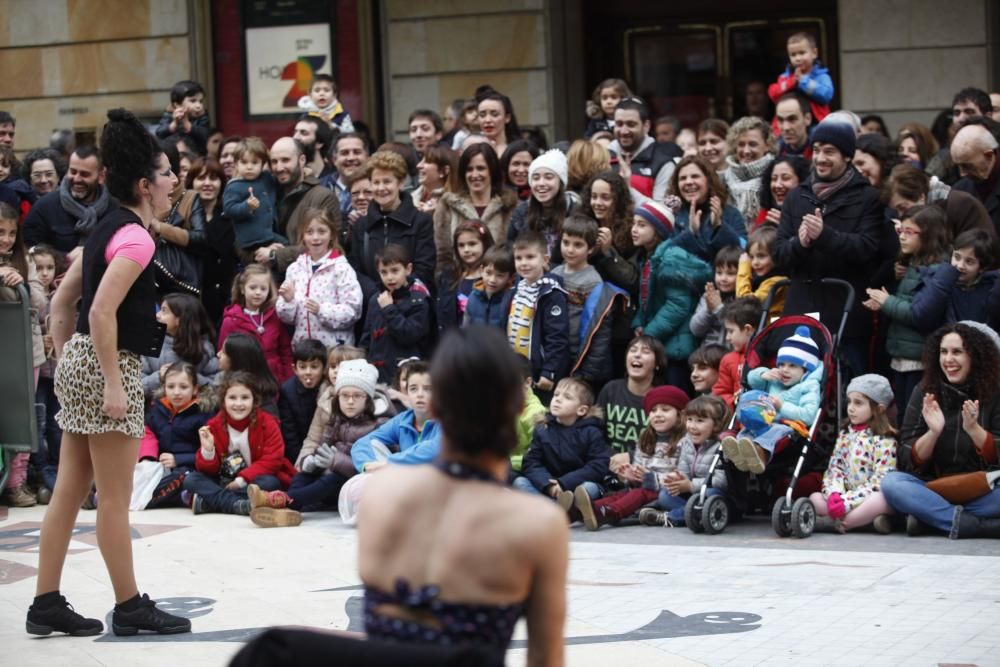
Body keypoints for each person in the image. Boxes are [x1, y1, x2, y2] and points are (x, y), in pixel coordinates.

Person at [29, 108, 191, 637]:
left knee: (69, 492)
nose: (174, 181)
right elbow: (98, 311)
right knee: (114, 500)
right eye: (167, 173)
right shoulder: (139, 239)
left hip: (79, 359)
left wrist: (64, 357)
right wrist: (113, 383)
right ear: (145, 185)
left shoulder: (103, 228)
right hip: (106, 365)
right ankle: (129, 606)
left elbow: (63, 302)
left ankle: (45, 603)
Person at [349, 328, 566, 662]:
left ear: (435, 405)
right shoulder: (536, 523)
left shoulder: (381, 497)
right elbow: (544, 657)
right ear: (520, 405)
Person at [774, 119, 883, 376]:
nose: (821, 158)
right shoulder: (797, 196)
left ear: (847, 156)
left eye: (829, 152)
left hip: (846, 316)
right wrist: (799, 244)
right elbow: (779, 254)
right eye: (818, 150)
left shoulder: (867, 197)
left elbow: (869, 248)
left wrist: (826, 236)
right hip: (802, 313)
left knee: (848, 393)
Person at [880, 322, 1000, 539]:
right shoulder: (925, 390)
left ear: (977, 356)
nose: (948, 360)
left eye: (957, 352)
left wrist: (974, 431)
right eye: (943, 352)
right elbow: (906, 456)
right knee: (892, 484)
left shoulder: (995, 394)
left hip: (983, 491)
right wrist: (933, 433)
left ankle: (930, 520)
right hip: (934, 488)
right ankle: (972, 525)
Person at [863, 205, 951, 405]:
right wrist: (885, 304)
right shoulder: (913, 263)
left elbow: (921, 314)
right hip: (903, 356)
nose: (902, 237)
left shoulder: (937, 270)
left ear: (929, 235)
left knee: (914, 420)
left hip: (920, 362)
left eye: (909, 232)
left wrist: (888, 301)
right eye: (900, 230)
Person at [575, 384, 687, 530]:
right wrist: (631, 477)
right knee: (620, 495)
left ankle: (608, 514)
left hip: (668, 494)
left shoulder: (685, 442)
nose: (658, 414)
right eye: (653, 410)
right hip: (644, 490)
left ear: (679, 415)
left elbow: (682, 476)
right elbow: (639, 475)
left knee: (638, 494)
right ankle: (579, 512)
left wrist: (649, 478)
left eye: (665, 410)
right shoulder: (645, 440)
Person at [183, 372, 296, 515]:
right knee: (191, 479)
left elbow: (273, 460)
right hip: (223, 481)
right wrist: (208, 451)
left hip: (250, 482)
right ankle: (239, 505)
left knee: (270, 483)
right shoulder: (214, 425)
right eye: (232, 398)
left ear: (254, 400)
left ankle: (211, 503)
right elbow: (207, 470)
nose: (238, 404)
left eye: (245, 398)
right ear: (223, 401)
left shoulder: (268, 423)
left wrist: (241, 481)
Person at [631, 201, 713, 389]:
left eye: (642, 225)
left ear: (658, 231)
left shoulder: (671, 257)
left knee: (673, 393)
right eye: (634, 224)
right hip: (661, 341)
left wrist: (650, 332)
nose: (634, 230)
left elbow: (677, 305)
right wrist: (639, 322)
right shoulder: (651, 257)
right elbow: (647, 299)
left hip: (676, 346)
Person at [721, 325, 823, 473]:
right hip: (763, 420)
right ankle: (739, 454)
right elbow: (751, 381)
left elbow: (808, 415)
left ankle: (760, 455)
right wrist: (763, 374)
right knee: (748, 429)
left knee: (776, 430)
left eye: (792, 366)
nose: (784, 369)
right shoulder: (775, 378)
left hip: (788, 425)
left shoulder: (809, 386)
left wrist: (782, 406)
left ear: (806, 370)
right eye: (781, 364)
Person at [0, 202, 47, 507]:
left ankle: (16, 483)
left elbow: (41, 300)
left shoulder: (24, 259)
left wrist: (21, 284)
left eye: (11, 233)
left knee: (22, 415)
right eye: (0, 232)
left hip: (24, 350)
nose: (5, 239)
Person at [809, 374, 897, 533]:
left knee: (881, 499)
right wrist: (834, 494)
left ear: (879, 408)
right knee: (814, 499)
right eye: (849, 401)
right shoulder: (845, 436)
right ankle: (867, 522)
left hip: (866, 498)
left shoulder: (884, 440)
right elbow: (835, 469)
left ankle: (840, 523)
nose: (850, 408)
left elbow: (879, 483)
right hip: (844, 496)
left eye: (858, 403)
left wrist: (848, 503)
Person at [514, 377, 612, 512]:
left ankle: (552, 509)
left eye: (567, 397)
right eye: (556, 394)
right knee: (520, 482)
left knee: (589, 488)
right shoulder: (543, 429)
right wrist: (549, 485)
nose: (558, 399)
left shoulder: (592, 432)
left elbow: (598, 466)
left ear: (581, 410)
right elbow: (531, 463)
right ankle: (562, 509)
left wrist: (565, 483)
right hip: (550, 486)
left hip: (577, 484)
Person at [552, 215, 628, 388]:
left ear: (591, 249)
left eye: (578, 245)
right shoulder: (555, 272)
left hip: (576, 352)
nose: (570, 249)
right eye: (566, 242)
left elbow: (595, 324)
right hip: (556, 349)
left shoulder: (592, 281)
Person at [638, 394, 731, 527]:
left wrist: (690, 485)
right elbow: (684, 472)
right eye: (690, 419)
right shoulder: (687, 443)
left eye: (700, 421)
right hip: (694, 494)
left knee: (709, 494)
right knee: (665, 495)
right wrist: (677, 479)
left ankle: (671, 517)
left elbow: (721, 482)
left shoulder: (721, 446)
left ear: (716, 425)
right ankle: (695, 514)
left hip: (717, 496)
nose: (692, 426)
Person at [276, 207, 363, 348]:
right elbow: (287, 317)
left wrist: (322, 311)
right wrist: (288, 301)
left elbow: (353, 311)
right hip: (304, 351)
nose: (315, 237)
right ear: (303, 236)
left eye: (321, 231)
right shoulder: (294, 269)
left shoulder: (341, 268)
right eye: (309, 232)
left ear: (332, 235)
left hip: (334, 350)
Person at [349, 150, 435, 289]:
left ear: (400, 183)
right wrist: (375, 295)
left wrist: (396, 294)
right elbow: (355, 270)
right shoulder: (362, 225)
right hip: (372, 304)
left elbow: (424, 269)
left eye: (387, 181)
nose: (381, 188)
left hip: (410, 304)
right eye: (376, 182)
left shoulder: (421, 221)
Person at [138, 362, 213, 509]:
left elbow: (209, 452)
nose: (176, 392)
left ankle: (144, 499)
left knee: (185, 478)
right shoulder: (158, 409)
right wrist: (148, 458)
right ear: (164, 387)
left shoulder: (203, 414)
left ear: (195, 389)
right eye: (171, 387)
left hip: (188, 467)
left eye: (183, 387)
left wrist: (178, 459)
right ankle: (180, 498)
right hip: (160, 465)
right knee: (140, 475)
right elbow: (148, 434)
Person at [264, 137, 341, 276]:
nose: (279, 167)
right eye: (274, 162)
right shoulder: (265, 195)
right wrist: (258, 252)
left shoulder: (323, 197)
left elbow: (329, 245)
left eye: (285, 160)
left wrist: (275, 255)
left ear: (302, 160)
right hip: (265, 286)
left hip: (309, 285)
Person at [434, 143, 518, 271]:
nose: (475, 174)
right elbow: (443, 255)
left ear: (492, 170)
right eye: (469, 169)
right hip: (458, 282)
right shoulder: (448, 205)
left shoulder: (509, 206)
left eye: (481, 168)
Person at [504, 231, 569, 394]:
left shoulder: (552, 294)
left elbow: (557, 337)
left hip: (539, 374)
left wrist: (550, 371)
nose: (523, 263)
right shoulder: (515, 290)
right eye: (518, 258)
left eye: (530, 257)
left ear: (545, 260)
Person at [359, 244, 433, 383]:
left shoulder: (418, 300)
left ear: (408, 269)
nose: (390, 277)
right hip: (377, 373)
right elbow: (367, 337)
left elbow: (409, 334)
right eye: (384, 272)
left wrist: (389, 309)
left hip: (405, 372)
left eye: (395, 271)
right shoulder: (376, 299)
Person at [23, 146, 114, 256]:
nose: (76, 179)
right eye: (73, 172)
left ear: (101, 176)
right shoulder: (44, 207)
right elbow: (30, 250)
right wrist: (65, 258)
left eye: (84, 174)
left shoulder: (115, 210)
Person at [913, 229, 1000, 331]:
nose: (960, 265)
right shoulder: (936, 277)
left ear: (982, 268)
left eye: (969, 261)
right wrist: (943, 282)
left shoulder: (991, 290)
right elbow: (922, 317)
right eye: (957, 257)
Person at [218, 263, 292, 383]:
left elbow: (285, 350)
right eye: (253, 288)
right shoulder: (231, 320)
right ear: (242, 289)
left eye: (263, 288)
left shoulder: (275, 315)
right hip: (244, 379)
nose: (258, 292)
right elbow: (224, 354)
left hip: (274, 379)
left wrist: (287, 379)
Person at [505, 149, 578, 264]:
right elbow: (510, 248)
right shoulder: (521, 211)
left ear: (561, 182)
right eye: (536, 178)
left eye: (548, 177)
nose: (541, 183)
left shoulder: (575, 211)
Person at [140, 293, 219, 397]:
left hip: (194, 410)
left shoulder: (204, 348)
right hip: (157, 409)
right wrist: (160, 376)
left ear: (180, 319)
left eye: (164, 311)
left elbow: (216, 385)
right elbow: (137, 385)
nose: (157, 315)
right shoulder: (151, 343)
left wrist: (190, 377)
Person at [669, 156, 747, 262]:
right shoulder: (671, 216)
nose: (688, 182)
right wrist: (690, 233)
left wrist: (719, 227)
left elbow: (742, 254)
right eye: (682, 178)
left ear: (709, 181)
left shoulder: (731, 214)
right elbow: (666, 256)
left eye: (695, 176)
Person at [609, 97, 681, 202]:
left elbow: (661, 212)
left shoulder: (663, 163)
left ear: (646, 126)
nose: (624, 131)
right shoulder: (602, 156)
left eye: (631, 124)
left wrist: (628, 190)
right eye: (619, 124)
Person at [222, 137, 284, 257]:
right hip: (252, 239)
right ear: (236, 164)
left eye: (255, 162)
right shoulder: (234, 186)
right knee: (284, 247)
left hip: (269, 232)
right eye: (244, 162)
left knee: (285, 247)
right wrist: (247, 206)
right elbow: (229, 210)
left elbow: (277, 180)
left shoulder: (266, 178)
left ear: (263, 164)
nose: (249, 167)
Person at [436, 220, 493, 332]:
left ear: (484, 244)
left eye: (472, 244)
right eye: (461, 245)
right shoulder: (450, 276)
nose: (466, 250)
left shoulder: (493, 277)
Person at [278, 339, 327, 465]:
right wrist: (300, 462)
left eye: (314, 367)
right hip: (300, 450)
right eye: (302, 367)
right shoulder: (287, 391)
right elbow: (290, 434)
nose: (308, 372)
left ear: (324, 368)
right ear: (294, 369)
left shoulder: (329, 388)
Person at [767, 32, 833, 127]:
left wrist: (804, 81)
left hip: (815, 124)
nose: (797, 58)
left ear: (814, 53)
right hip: (789, 124)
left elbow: (826, 94)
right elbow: (773, 93)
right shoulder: (785, 77)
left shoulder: (821, 76)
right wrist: (791, 82)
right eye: (793, 55)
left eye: (802, 53)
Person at [722, 116, 775, 226]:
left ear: (767, 145)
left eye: (753, 144)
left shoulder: (775, 175)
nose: (746, 151)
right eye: (741, 144)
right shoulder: (724, 178)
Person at [712, 296, 764, 409]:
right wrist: (735, 401)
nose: (727, 338)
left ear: (748, 329)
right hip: (736, 419)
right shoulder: (728, 360)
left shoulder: (767, 356)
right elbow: (720, 392)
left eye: (731, 331)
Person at [950, 124, 1000, 235]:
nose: (962, 173)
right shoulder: (960, 191)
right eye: (958, 166)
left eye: (967, 166)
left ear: (989, 156)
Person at [216, 332, 281, 416]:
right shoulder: (224, 386)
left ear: (237, 360)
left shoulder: (265, 408)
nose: (218, 354)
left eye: (224, 352)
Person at [690, 245, 740, 347]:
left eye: (730, 274)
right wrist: (708, 310)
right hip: (707, 354)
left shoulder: (743, 298)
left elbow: (738, 328)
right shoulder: (709, 296)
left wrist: (718, 309)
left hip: (730, 356)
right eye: (719, 273)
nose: (723, 278)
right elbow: (695, 330)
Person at [738, 225, 787, 319]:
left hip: (770, 329)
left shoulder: (776, 280)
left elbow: (745, 303)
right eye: (751, 257)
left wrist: (743, 267)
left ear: (776, 255)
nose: (755, 262)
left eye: (761, 256)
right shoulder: (760, 278)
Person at [464, 243, 514, 329]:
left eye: (500, 275)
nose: (492, 280)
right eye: (488, 273)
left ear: (510, 278)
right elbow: (465, 327)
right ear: (481, 270)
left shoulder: (511, 300)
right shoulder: (473, 297)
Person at [324, 133, 370, 222]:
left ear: (367, 157)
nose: (351, 158)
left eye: (357, 152)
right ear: (334, 160)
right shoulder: (321, 187)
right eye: (344, 153)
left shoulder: (379, 187)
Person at [155, 80, 210, 152]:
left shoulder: (203, 117)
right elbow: (159, 133)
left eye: (201, 101)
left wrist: (187, 124)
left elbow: (205, 135)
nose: (199, 106)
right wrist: (174, 124)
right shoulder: (169, 114)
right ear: (177, 104)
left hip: (196, 155)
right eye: (193, 101)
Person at [756, 155, 809, 227]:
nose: (777, 185)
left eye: (785, 178)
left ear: (802, 182)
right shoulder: (766, 214)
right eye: (774, 179)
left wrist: (787, 228)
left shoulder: (811, 215)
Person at [475, 86, 521, 156]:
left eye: (494, 114)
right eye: (482, 115)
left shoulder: (519, 151)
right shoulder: (471, 148)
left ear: (507, 117)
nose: (487, 120)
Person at [411, 144, 455, 213]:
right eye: (421, 160)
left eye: (427, 161)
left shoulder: (456, 204)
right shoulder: (411, 199)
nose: (418, 165)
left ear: (444, 171)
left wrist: (436, 214)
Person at [293, 115, 334, 180]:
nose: (295, 137)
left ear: (319, 143)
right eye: (295, 132)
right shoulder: (292, 176)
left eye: (303, 133)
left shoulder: (334, 178)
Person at [774, 93, 813, 159]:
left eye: (792, 119)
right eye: (780, 120)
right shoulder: (772, 156)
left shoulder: (819, 156)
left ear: (807, 119)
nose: (786, 127)